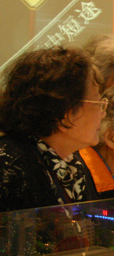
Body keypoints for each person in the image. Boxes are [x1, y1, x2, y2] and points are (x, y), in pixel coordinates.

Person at [0, 47, 105, 212]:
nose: (103, 113)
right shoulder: (10, 165)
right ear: (66, 112)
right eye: (98, 103)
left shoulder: (72, 165)